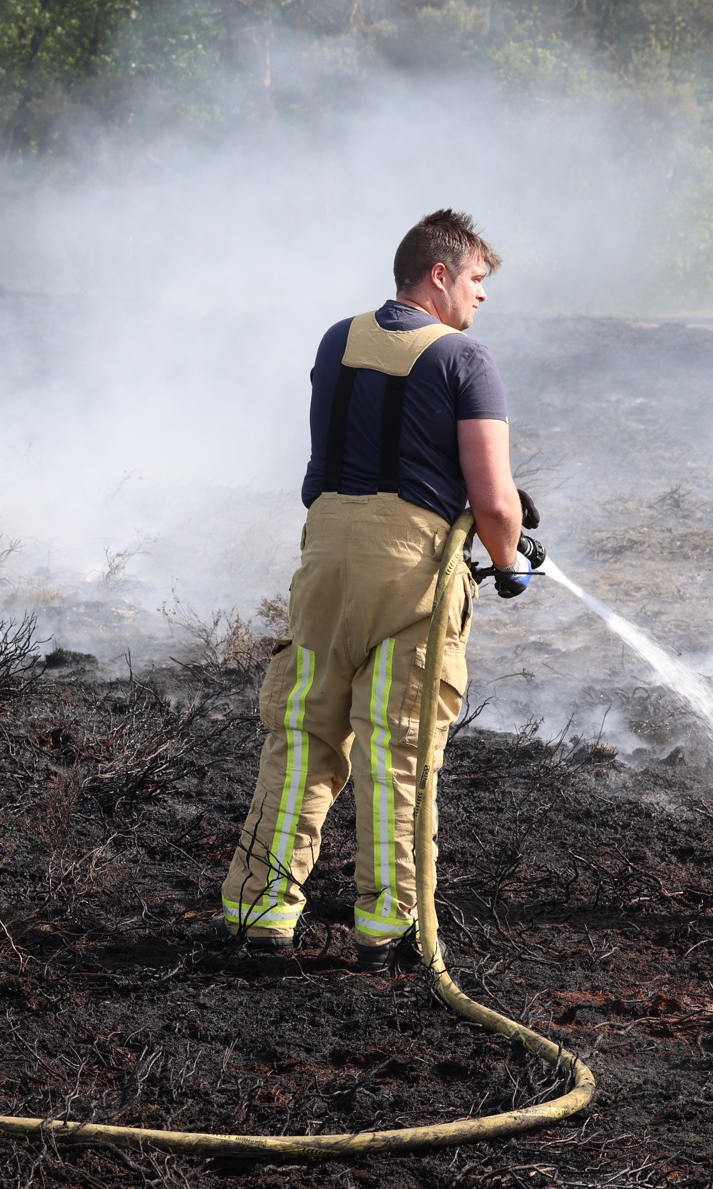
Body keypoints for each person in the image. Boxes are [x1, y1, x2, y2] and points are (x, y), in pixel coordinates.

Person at [216, 209, 542, 972]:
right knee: (398, 745)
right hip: (413, 571)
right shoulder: (468, 360)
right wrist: (512, 563)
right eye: (476, 279)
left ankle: (258, 912)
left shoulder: (339, 339)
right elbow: (496, 504)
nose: (481, 297)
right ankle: (390, 929)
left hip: (325, 556)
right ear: (439, 275)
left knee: (303, 734)